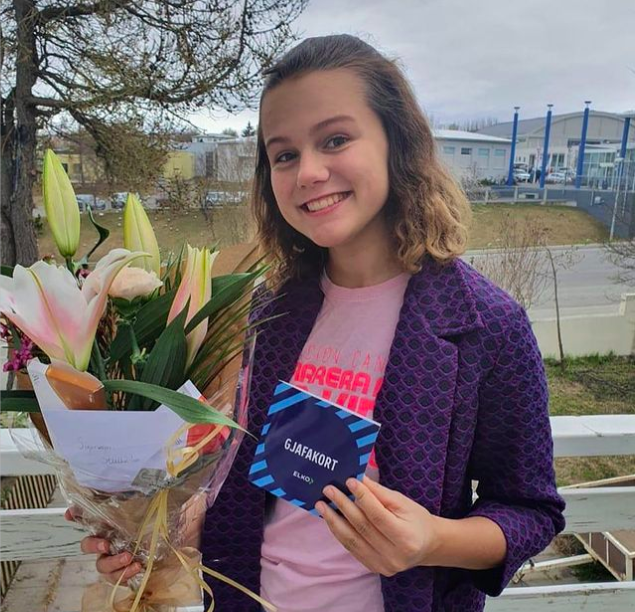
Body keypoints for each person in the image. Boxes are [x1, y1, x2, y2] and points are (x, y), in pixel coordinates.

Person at [74, 34, 565, 612]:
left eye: (335, 140)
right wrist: (161, 528)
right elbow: (252, 484)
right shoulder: (267, 312)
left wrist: (432, 540)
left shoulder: (486, 325)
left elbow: (531, 510)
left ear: (398, 143)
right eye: (283, 154)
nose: (308, 172)